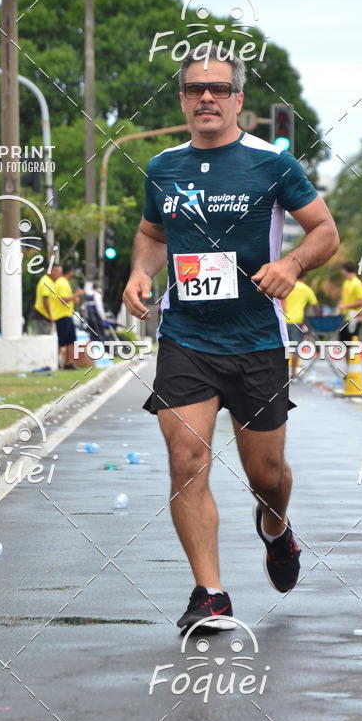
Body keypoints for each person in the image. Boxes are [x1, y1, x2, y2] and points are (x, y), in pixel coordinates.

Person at [123, 46, 339, 633]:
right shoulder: (164, 167)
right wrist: (142, 271)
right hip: (187, 338)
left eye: (219, 89)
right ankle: (210, 594)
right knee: (185, 459)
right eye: (195, 90)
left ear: (239, 99)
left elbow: (325, 231)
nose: (207, 99)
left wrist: (293, 266)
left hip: (256, 341)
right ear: (184, 100)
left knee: (266, 476)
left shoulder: (271, 164)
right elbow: (149, 232)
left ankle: (275, 528)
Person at [283, 278, 317, 378]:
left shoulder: (287, 285)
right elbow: (315, 305)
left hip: (284, 320)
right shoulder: (306, 289)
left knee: (284, 347)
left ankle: (283, 372)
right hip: (297, 321)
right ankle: (293, 372)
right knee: (296, 347)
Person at [53, 265, 84, 369]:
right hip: (62, 316)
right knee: (62, 341)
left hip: (68, 315)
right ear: (70, 272)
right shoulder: (61, 282)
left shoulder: (65, 282)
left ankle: (69, 363)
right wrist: (76, 294)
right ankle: (56, 363)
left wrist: (74, 298)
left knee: (71, 340)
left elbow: (67, 298)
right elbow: (63, 299)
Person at [338, 261, 362, 345]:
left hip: (353, 317)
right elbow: (344, 299)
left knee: (350, 344)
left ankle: (352, 358)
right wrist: (340, 306)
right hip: (345, 317)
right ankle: (347, 358)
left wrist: (346, 306)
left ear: (345, 270)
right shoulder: (346, 283)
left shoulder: (357, 283)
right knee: (343, 344)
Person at [30, 263, 61, 335]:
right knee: (43, 340)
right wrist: (50, 315)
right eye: (56, 271)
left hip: (45, 316)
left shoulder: (50, 282)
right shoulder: (46, 281)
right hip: (42, 316)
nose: (58, 274)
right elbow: (45, 300)